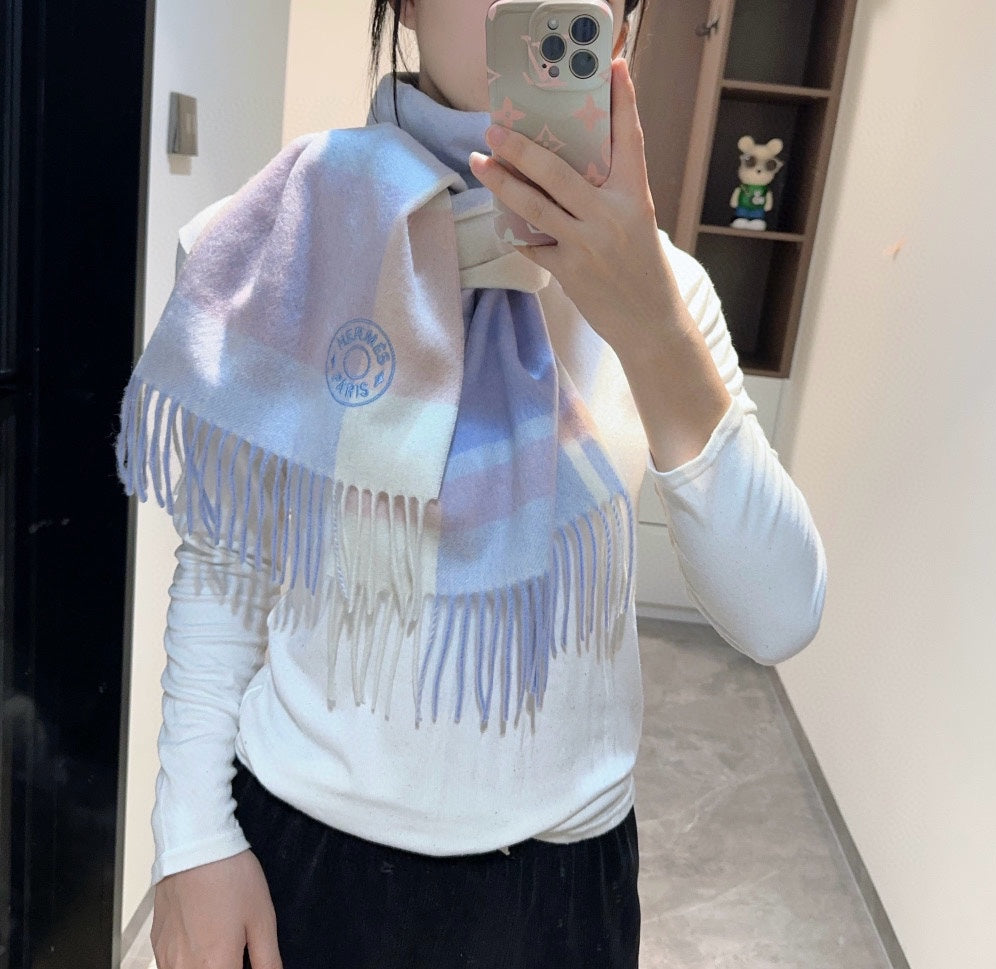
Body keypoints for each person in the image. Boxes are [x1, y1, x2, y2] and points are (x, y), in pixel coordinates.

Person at [137, 1, 828, 967]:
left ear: (621, 22)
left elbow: (778, 614)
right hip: (308, 860)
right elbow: (228, 565)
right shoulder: (286, 240)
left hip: (567, 890)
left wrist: (651, 327)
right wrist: (193, 836)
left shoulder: (663, 293)